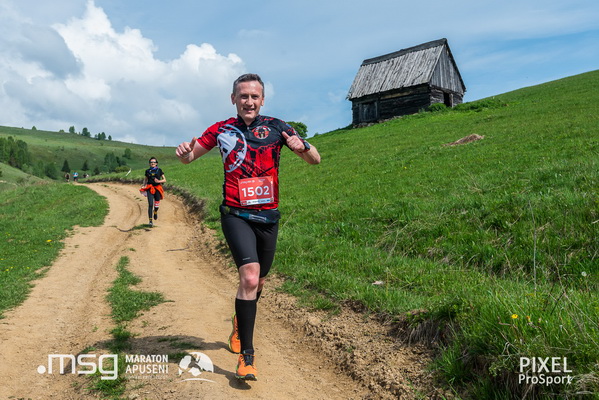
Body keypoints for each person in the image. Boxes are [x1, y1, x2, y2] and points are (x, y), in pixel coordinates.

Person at [175, 73, 320, 381]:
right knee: (250, 277)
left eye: (254, 96)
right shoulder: (221, 129)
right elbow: (189, 158)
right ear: (233, 99)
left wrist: (303, 145)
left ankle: (239, 323)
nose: (249, 101)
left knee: (260, 282)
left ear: (262, 100)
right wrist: (186, 153)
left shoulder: (278, 127)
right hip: (236, 214)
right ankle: (247, 357)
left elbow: (315, 160)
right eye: (243, 96)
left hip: (268, 218)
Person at [140, 157, 166, 227]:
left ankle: (155, 211)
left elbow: (164, 180)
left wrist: (159, 181)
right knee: (150, 204)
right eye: (151, 162)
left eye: (154, 162)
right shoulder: (147, 171)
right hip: (150, 188)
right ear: (149, 164)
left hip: (157, 188)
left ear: (156, 163)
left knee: (156, 205)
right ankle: (150, 221)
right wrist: (144, 185)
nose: (153, 163)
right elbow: (145, 179)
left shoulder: (159, 170)